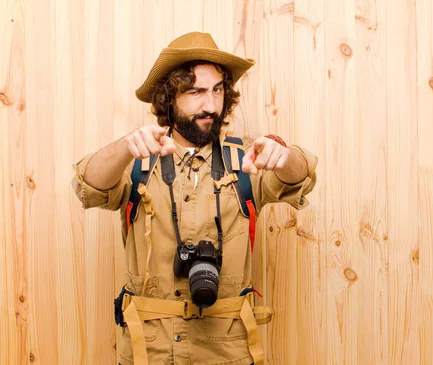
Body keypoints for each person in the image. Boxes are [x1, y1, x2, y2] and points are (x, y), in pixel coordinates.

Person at [71, 32, 317, 365]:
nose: (211, 105)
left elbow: (301, 179)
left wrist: (284, 156)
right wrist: (125, 146)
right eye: (196, 91)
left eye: (217, 90)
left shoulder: (247, 160)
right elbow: (88, 185)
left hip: (227, 353)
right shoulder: (138, 162)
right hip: (149, 353)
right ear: (168, 99)